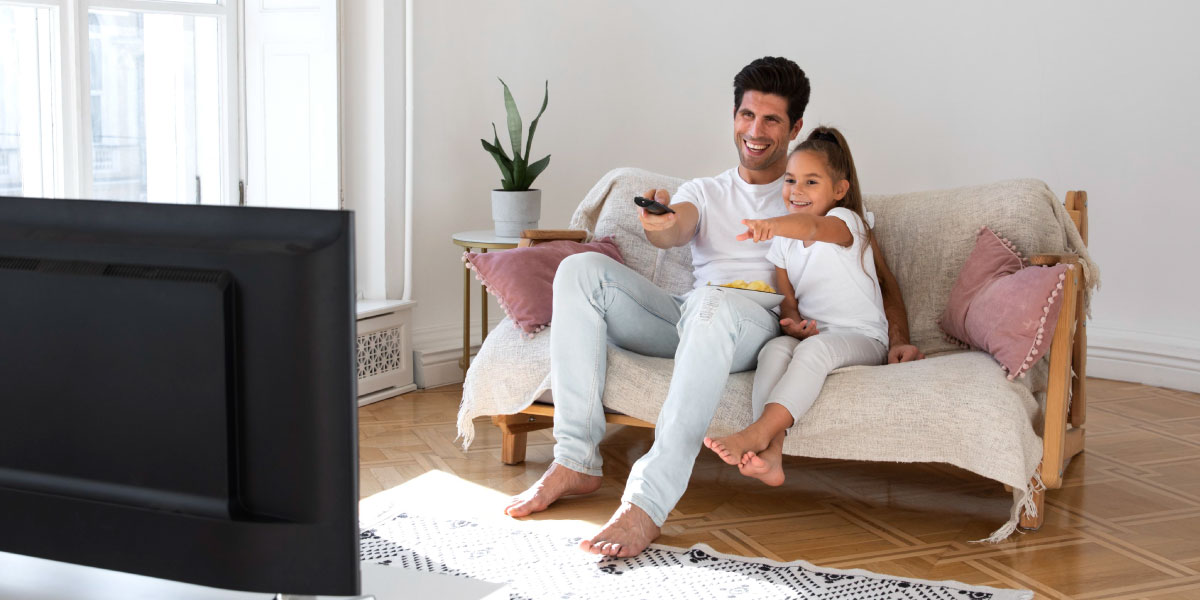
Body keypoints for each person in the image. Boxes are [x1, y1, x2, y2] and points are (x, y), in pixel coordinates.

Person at [503, 57, 924, 558]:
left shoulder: (814, 198)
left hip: (752, 324)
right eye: (747, 115)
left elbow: (880, 276)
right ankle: (575, 461)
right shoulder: (705, 191)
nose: (756, 130)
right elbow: (677, 225)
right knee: (579, 271)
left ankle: (648, 502)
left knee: (712, 304)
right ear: (734, 117)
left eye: (771, 120)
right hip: (689, 317)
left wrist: (897, 337)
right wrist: (659, 225)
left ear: (795, 127)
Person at [704, 126, 888, 487]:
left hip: (863, 338)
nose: (796, 191)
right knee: (774, 349)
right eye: (790, 180)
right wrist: (791, 324)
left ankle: (758, 433)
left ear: (839, 190)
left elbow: (812, 228)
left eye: (811, 182)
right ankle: (771, 455)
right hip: (815, 335)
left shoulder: (846, 223)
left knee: (815, 351)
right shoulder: (783, 248)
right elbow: (789, 304)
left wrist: (771, 225)